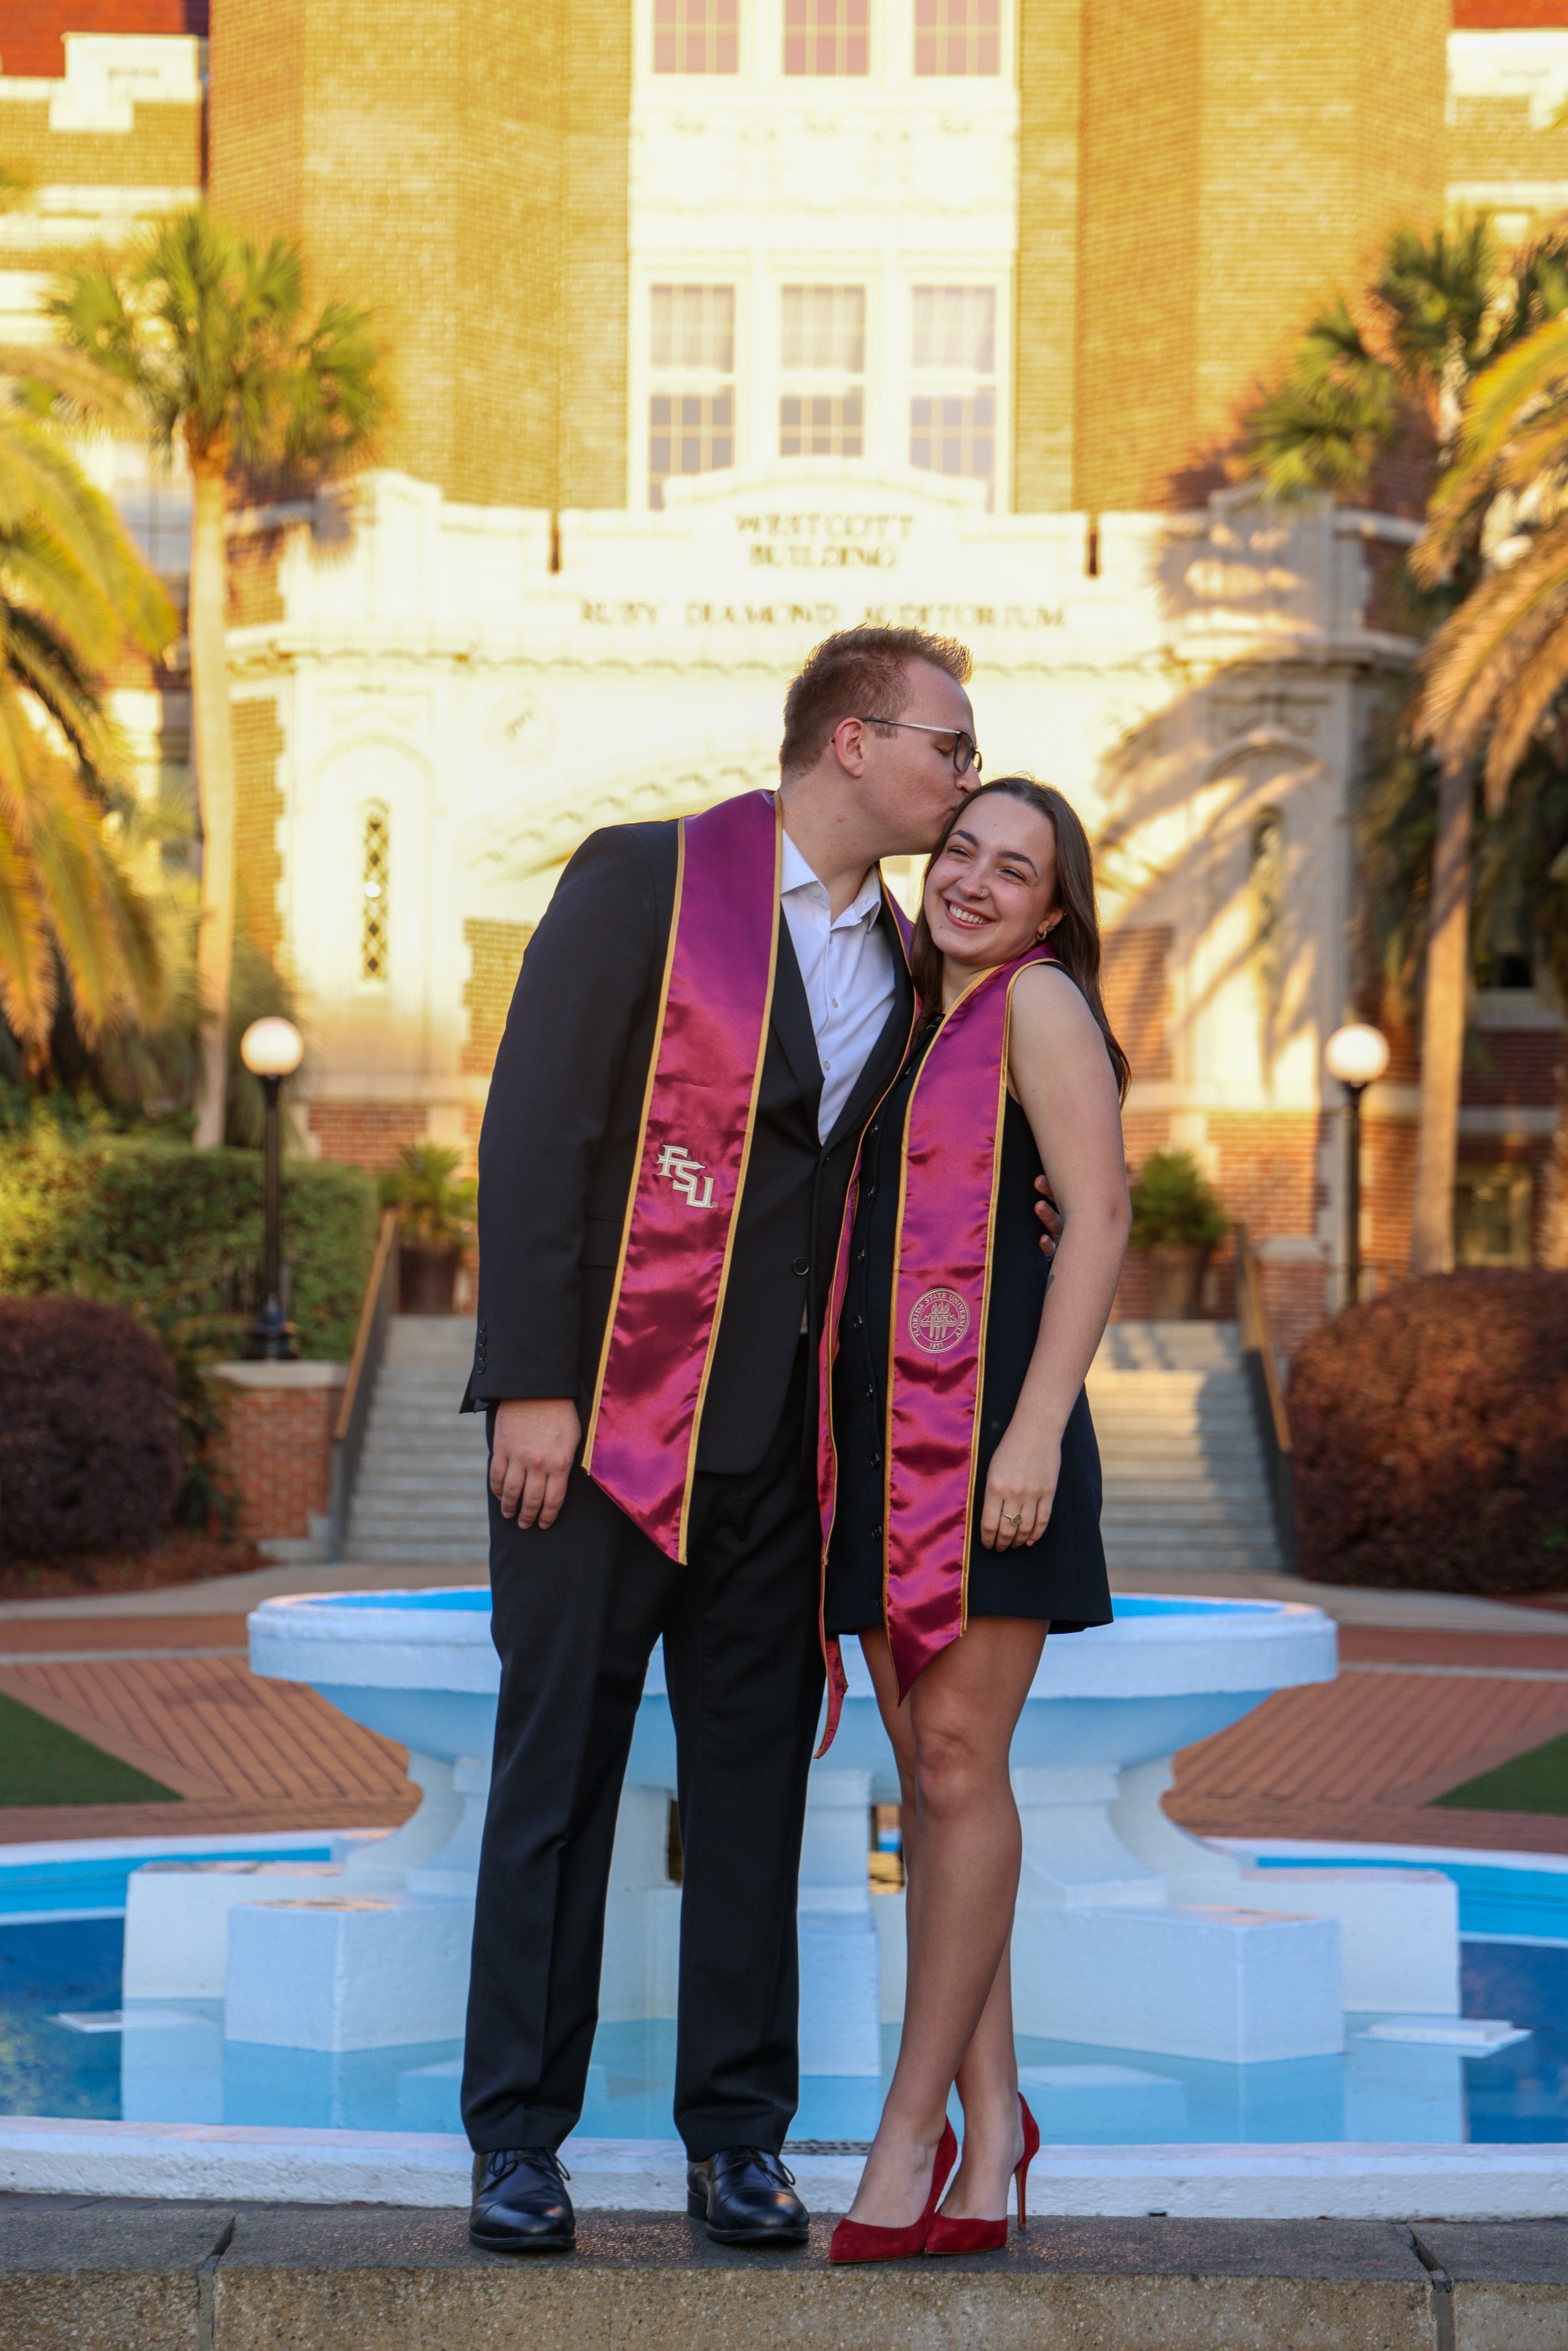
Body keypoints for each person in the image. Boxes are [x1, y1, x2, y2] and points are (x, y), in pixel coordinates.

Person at [461, 626, 1014, 2256]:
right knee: (552, 1782)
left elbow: (914, 1173)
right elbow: (539, 1129)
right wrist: (536, 1382)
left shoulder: (906, 965)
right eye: (947, 746)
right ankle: (516, 2139)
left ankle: (736, 2140)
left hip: (780, 1456)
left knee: (758, 1794)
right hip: (606, 1428)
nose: (963, 777)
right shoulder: (643, 882)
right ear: (852, 741)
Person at [819, 777, 1131, 2263]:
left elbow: (1101, 1213)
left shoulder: (1038, 1007)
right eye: (961, 850)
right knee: (931, 1783)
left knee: (954, 1764)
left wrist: (1031, 1431)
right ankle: (992, 2123)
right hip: (881, 1441)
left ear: (1052, 908)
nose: (974, 882)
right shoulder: (901, 1015)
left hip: (986, 1434)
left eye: (1015, 870)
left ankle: (906, 2129)